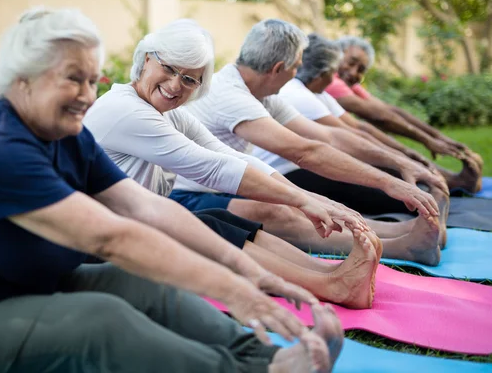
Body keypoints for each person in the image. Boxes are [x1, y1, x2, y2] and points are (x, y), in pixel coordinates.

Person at [0, 8, 344, 373]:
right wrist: (235, 290)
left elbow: (143, 205)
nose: (88, 95)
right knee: (99, 322)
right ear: (20, 80)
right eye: (73, 78)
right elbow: (110, 236)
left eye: (92, 80)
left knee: (141, 282)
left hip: (23, 287)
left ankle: (265, 360)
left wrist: (246, 271)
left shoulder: (67, 135)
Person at [84, 19, 381, 309]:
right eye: (169, 68)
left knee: (218, 218)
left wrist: (313, 199)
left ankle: (329, 272)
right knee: (206, 227)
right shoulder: (125, 110)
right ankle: (332, 287)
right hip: (95, 250)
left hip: (126, 234)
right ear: (147, 59)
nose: (176, 85)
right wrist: (303, 201)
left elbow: (226, 153)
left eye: (189, 79)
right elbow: (211, 167)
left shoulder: (165, 112)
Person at [175, 19, 444, 266]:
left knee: (296, 201)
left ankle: (404, 232)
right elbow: (305, 152)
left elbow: (330, 136)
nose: (297, 73)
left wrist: (400, 162)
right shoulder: (229, 95)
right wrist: (390, 182)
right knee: (281, 210)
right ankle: (400, 247)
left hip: (222, 187)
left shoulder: (259, 92)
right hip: (183, 196)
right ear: (278, 68)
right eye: (296, 66)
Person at [256, 33, 450, 247]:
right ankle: (412, 230)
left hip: (296, 166)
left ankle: (416, 220)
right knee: (373, 183)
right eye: (335, 71)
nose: (337, 78)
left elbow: (354, 130)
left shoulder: (313, 93)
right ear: (325, 72)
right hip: (287, 173)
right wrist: (399, 164)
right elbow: (333, 140)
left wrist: (405, 160)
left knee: (379, 173)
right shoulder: (297, 94)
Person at [327, 36, 483, 193]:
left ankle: (450, 179)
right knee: (368, 141)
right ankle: (452, 181)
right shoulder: (331, 81)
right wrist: (427, 140)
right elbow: (378, 117)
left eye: (361, 70)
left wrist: (437, 137)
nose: (353, 72)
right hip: (328, 152)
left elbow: (389, 110)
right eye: (351, 62)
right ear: (337, 55)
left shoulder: (345, 83)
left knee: (372, 138)